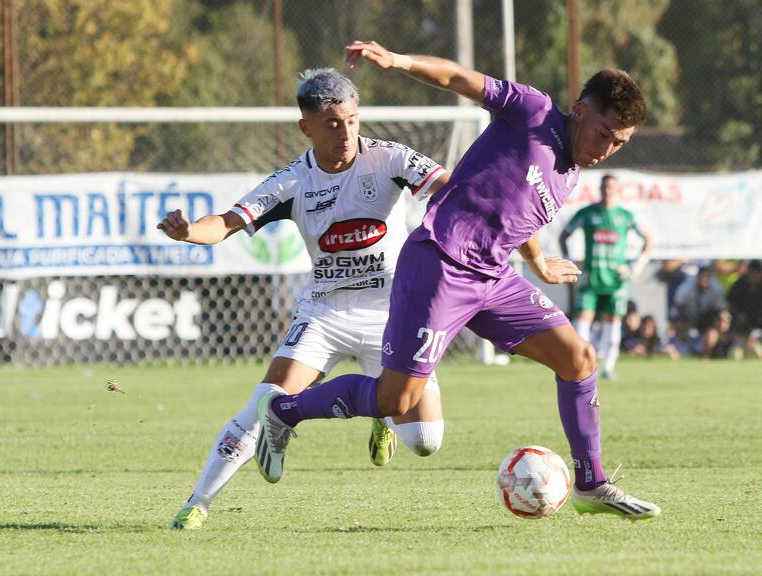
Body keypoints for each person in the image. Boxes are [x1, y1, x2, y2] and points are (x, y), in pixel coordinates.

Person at [254, 40, 661, 521]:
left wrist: (539, 263)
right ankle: (285, 412)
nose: (607, 149)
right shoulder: (532, 112)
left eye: (619, 143)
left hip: (493, 276)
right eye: (604, 133)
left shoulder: (571, 172)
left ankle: (591, 484)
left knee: (578, 358)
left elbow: (513, 215)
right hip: (440, 263)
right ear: (581, 110)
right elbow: (457, 78)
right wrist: (400, 60)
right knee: (395, 398)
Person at [159, 68, 452, 530]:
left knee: (426, 440)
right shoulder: (291, 182)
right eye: (333, 123)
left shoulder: (389, 158)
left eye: (352, 120)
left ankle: (379, 411)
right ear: (307, 127)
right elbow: (226, 223)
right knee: (265, 401)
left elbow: (451, 187)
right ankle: (197, 504)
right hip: (325, 312)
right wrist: (190, 231)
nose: (346, 132)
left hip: (392, 313)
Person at [559, 174, 653, 379]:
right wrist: (571, 264)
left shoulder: (625, 216)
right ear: (599, 189)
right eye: (604, 187)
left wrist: (636, 267)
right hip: (591, 279)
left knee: (613, 323)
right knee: (582, 320)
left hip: (616, 281)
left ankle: (608, 367)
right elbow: (564, 235)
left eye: (611, 187)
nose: (607, 191)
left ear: (617, 190)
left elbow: (648, 239)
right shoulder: (587, 213)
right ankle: (581, 364)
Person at [674, 265, 727, 358]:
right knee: (681, 326)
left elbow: (720, 311)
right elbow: (679, 309)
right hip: (688, 319)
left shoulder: (716, 290)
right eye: (703, 277)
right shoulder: (686, 289)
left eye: (707, 277)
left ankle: (705, 357)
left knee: (713, 333)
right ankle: (686, 354)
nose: (705, 280)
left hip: (708, 321)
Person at [727, 260, 762, 358]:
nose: (755, 276)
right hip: (740, 330)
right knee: (736, 354)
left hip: (759, 330)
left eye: (758, 273)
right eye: (752, 273)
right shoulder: (738, 286)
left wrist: (755, 334)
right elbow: (730, 307)